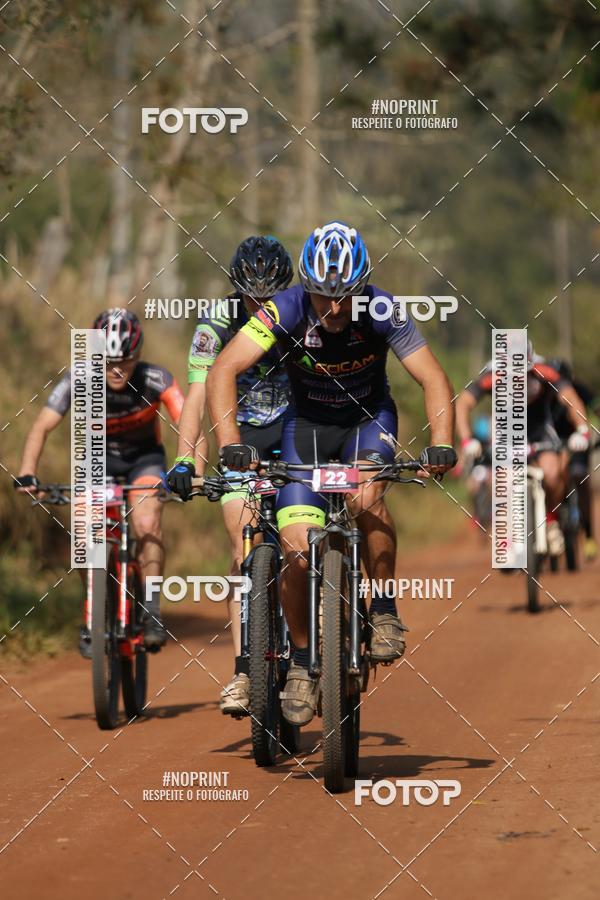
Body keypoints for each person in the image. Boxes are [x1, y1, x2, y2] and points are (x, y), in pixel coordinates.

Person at [205, 221, 457, 727]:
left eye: (346, 297)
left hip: (369, 422)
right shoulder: (288, 308)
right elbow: (223, 369)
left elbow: (432, 377)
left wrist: (442, 442)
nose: (335, 309)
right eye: (324, 297)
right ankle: (300, 662)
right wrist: (229, 443)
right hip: (308, 429)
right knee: (296, 547)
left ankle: (383, 607)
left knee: (365, 500)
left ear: (363, 287)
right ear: (307, 288)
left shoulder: (383, 309)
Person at [167, 236, 293, 716]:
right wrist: (186, 462)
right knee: (242, 549)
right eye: (251, 295)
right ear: (235, 288)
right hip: (239, 440)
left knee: (307, 536)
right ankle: (244, 670)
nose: (261, 304)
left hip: (295, 432)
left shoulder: (299, 317)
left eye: (270, 295)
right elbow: (197, 398)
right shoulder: (215, 326)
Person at [14, 308, 184, 656]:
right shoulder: (78, 378)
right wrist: (28, 471)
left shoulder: (156, 379)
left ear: (138, 355)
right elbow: (42, 426)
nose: (117, 369)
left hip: (144, 460)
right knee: (84, 530)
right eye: (108, 361)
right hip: (96, 461)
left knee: (147, 519)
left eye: (126, 360)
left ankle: (151, 610)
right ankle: (94, 607)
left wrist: (187, 466)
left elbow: (187, 425)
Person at [456, 342, 590, 557]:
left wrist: (582, 429)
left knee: (553, 473)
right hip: (506, 433)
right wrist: (466, 440)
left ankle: (551, 517)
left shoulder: (544, 371)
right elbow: (463, 403)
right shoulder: (492, 376)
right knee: (498, 480)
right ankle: (509, 533)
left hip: (540, 432)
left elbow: (571, 400)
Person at [546, 358, 597, 561]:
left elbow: (596, 408)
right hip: (550, 444)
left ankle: (590, 535)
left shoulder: (578, 389)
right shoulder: (543, 393)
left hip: (577, 442)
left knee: (579, 476)